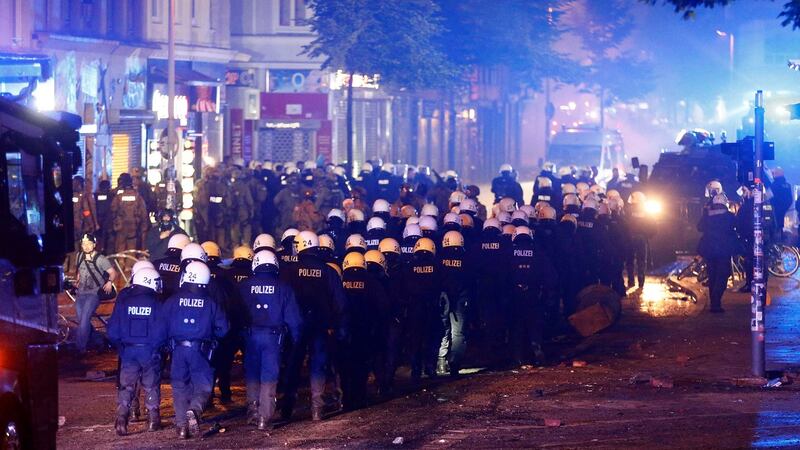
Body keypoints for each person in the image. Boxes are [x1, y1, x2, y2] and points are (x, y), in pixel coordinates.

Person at [282, 231, 347, 421]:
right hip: (321, 325)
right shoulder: (328, 271)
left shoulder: (289, 270)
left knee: (293, 365)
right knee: (318, 365)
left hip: (297, 327)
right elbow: (340, 302)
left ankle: (287, 407)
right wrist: (338, 325)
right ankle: (317, 408)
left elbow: (283, 300)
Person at [163, 261, 229, 439]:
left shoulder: (173, 300)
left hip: (177, 350)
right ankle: (195, 409)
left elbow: (162, 324)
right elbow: (224, 328)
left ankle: (182, 427)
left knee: (179, 386)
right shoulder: (211, 302)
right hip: (201, 350)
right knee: (204, 384)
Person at [240, 250, 302, 430]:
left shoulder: (244, 286)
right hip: (273, 338)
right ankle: (264, 418)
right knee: (269, 375)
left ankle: (252, 412)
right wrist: (297, 339)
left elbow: (236, 313)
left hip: (251, 336)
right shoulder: (284, 287)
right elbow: (294, 318)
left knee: (252, 373)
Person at [107, 267, 165, 435]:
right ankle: (153, 419)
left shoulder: (124, 301)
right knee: (151, 385)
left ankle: (121, 419)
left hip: (129, 351)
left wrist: (122, 348)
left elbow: (112, 331)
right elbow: (162, 330)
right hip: (149, 351)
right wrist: (158, 347)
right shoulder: (157, 303)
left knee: (126, 387)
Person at [403, 237, 442, 380]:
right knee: (432, 338)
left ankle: (416, 369)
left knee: (415, 339)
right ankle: (430, 367)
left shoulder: (409, 266)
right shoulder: (437, 266)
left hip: (415, 308)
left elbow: (405, 288)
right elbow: (442, 285)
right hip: (432, 307)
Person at [74, 233, 117, 354]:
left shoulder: (101, 259)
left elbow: (113, 272)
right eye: (84, 244)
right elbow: (79, 271)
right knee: (83, 321)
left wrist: (109, 282)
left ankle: (80, 348)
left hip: (94, 294)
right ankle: (98, 340)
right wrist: (77, 281)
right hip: (80, 293)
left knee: (83, 321)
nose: (86, 246)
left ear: (94, 244)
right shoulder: (79, 256)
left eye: (89, 244)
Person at [437, 230, 472, 377]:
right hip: (460, 300)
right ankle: (454, 364)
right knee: (458, 333)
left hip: (442, 299)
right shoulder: (466, 259)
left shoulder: (439, 258)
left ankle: (441, 361)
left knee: (442, 329)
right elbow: (471, 281)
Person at [697, 194, 738, 313]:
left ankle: (714, 303)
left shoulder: (708, 215)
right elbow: (737, 227)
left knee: (713, 275)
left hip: (710, 249)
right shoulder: (729, 216)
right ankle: (716, 301)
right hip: (724, 250)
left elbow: (699, 227)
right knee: (723, 275)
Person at [110, 173, 150, 253]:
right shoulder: (137, 196)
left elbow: (113, 209)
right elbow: (143, 212)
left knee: (120, 246)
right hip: (134, 225)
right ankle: (130, 264)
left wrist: (115, 221)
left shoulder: (119, 196)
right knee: (131, 247)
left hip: (121, 225)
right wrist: (144, 225)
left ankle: (120, 263)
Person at [153, 233, 191, 300]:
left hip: (157, 302)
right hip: (176, 303)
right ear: (186, 247)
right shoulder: (187, 267)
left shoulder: (155, 264)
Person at [770, 167, 792, 240]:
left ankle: (773, 237)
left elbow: (767, 196)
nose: (772, 174)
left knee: (774, 221)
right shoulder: (788, 185)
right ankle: (781, 235)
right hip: (784, 208)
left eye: (773, 173)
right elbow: (790, 199)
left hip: (775, 208)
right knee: (780, 220)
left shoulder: (774, 185)